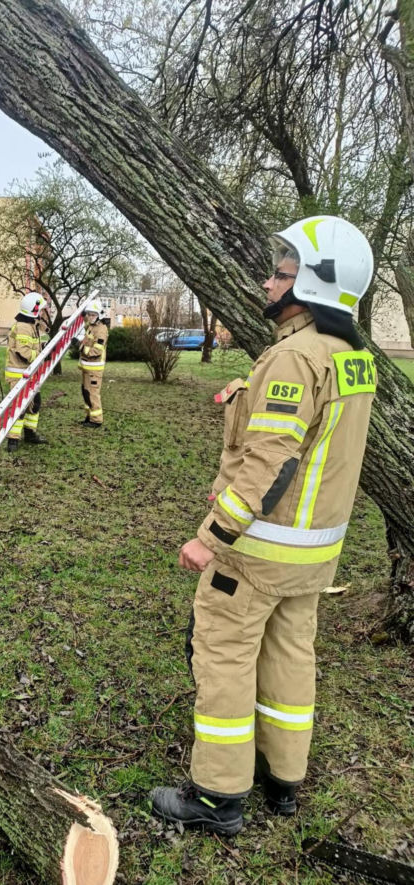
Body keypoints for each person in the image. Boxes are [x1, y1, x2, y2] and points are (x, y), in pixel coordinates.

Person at [151, 216, 376, 835]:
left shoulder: (294, 356)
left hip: (256, 552)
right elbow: (313, 438)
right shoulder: (352, 358)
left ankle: (218, 796)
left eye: (282, 272)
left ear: (313, 285)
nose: (268, 282)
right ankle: (283, 779)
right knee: (289, 656)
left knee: (222, 656)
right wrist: (249, 391)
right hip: (313, 555)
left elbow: (270, 463)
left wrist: (209, 537)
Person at [5, 291, 49, 452]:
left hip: (30, 374)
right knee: (19, 407)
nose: (43, 312)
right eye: (41, 309)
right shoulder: (23, 327)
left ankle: (30, 433)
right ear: (34, 310)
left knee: (35, 404)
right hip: (19, 374)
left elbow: (34, 345)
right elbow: (23, 352)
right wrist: (42, 355)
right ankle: (13, 439)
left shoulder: (31, 325)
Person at [79, 300, 107, 427]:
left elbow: (96, 351)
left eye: (93, 315)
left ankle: (96, 420)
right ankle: (89, 416)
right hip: (87, 367)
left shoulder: (101, 330)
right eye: (88, 314)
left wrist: (81, 348)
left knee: (92, 393)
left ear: (99, 315)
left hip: (94, 369)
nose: (90, 317)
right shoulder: (91, 326)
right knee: (86, 392)